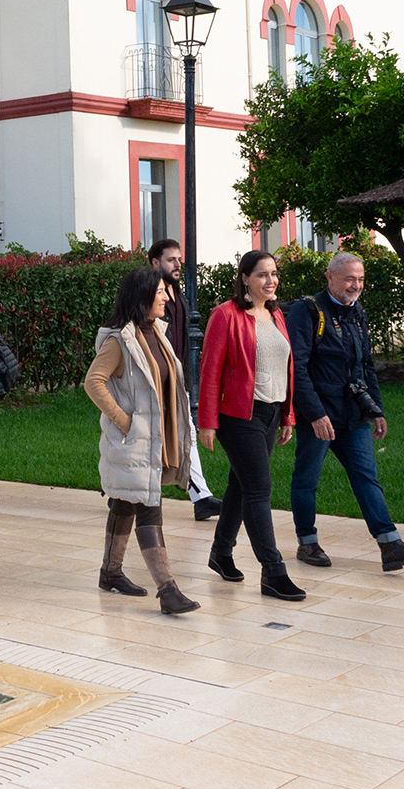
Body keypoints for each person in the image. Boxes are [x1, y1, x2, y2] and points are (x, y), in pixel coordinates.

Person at [285, 252, 404, 572]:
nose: (356, 285)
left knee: (367, 476)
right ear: (330, 277)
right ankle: (307, 543)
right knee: (307, 478)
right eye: (349, 279)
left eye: (361, 279)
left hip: (352, 413)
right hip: (320, 414)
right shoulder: (307, 311)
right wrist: (314, 414)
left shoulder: (357, 312)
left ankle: (390, 545)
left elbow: (365, 365)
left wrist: (376, 409)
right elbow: (295, 368)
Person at [84, 268, 201, 614]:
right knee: (148, 506)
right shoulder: (119, 341)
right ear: (142, 297)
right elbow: (94, 382)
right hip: (134, 442)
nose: (167, 298)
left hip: (155, 439)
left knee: (125, 502)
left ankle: (110, 572)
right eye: (161, 292)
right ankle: (168, 590)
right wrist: (125, 422)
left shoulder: (157, 334)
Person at [197, 249, 305, 601]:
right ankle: (273, 572)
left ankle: (221, 552)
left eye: (273, 274)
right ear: (245, 278)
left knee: (241, 486)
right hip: (238, 415)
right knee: (259, 489)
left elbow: (284, 369)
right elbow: (210, 370)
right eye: (262, 274)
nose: (270, 281)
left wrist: (287, 414)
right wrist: (207, 422)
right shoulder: (225, 315)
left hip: (271, 414)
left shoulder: (276, 316)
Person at [148, 238, 223, 522]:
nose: (178, 264)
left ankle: (201, 497)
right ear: (155, 263)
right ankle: (126, 494)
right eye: (171, 260)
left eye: (179, 259)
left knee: (185, 435)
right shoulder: (147, 295)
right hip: (155, 381)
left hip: (177, 381)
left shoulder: (176, 294)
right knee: (153, 439)